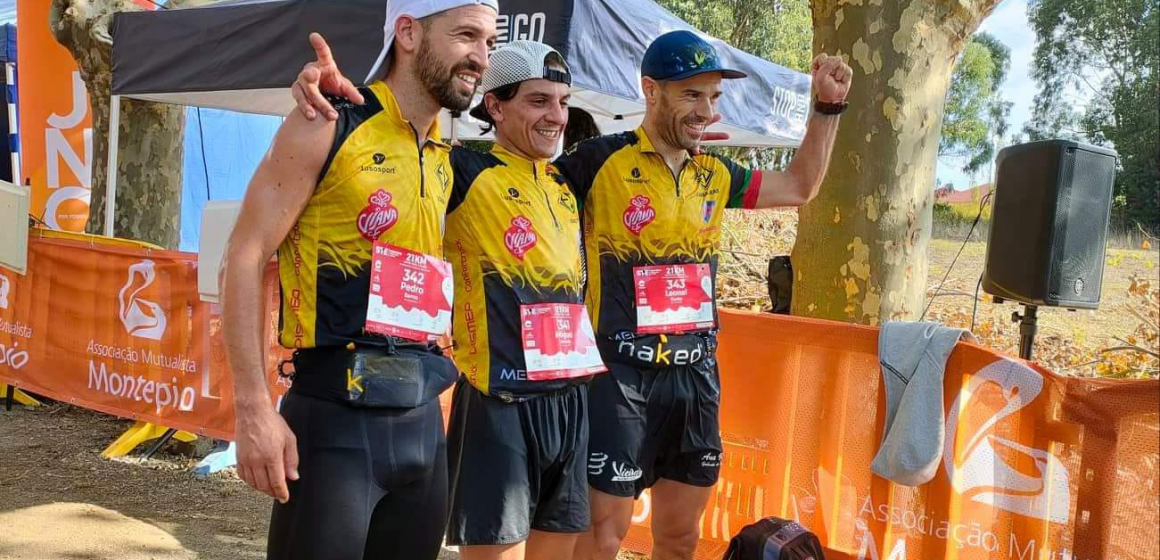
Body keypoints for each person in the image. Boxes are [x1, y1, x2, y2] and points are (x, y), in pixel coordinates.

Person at [291, 29, 852, 560]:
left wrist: (826, 110)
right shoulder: (562, 165)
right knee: (596, 540)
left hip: (643, 382)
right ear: (651, 91)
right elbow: (411, 154)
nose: (706, 109)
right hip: (576, 386)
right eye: (692, 95)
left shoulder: (687, 174)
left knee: (673, 539)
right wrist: (344, 109)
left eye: (713, 97)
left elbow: (799, 186)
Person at [220, 1, 497, 559]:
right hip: (334, 425)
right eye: (467, 35)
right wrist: (253, 409)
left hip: (422, 424)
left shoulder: (443, 153)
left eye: (489, 43)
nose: (482, 57)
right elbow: (244, 257)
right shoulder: (327, 121)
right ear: (408, 33)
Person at [442, 40, 602, 560]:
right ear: (495, 105)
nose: (556, 115)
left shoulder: (565, 182)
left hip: (570, 400)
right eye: (539, 101)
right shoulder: (464, 170)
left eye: (563, 102)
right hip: (501, 402)